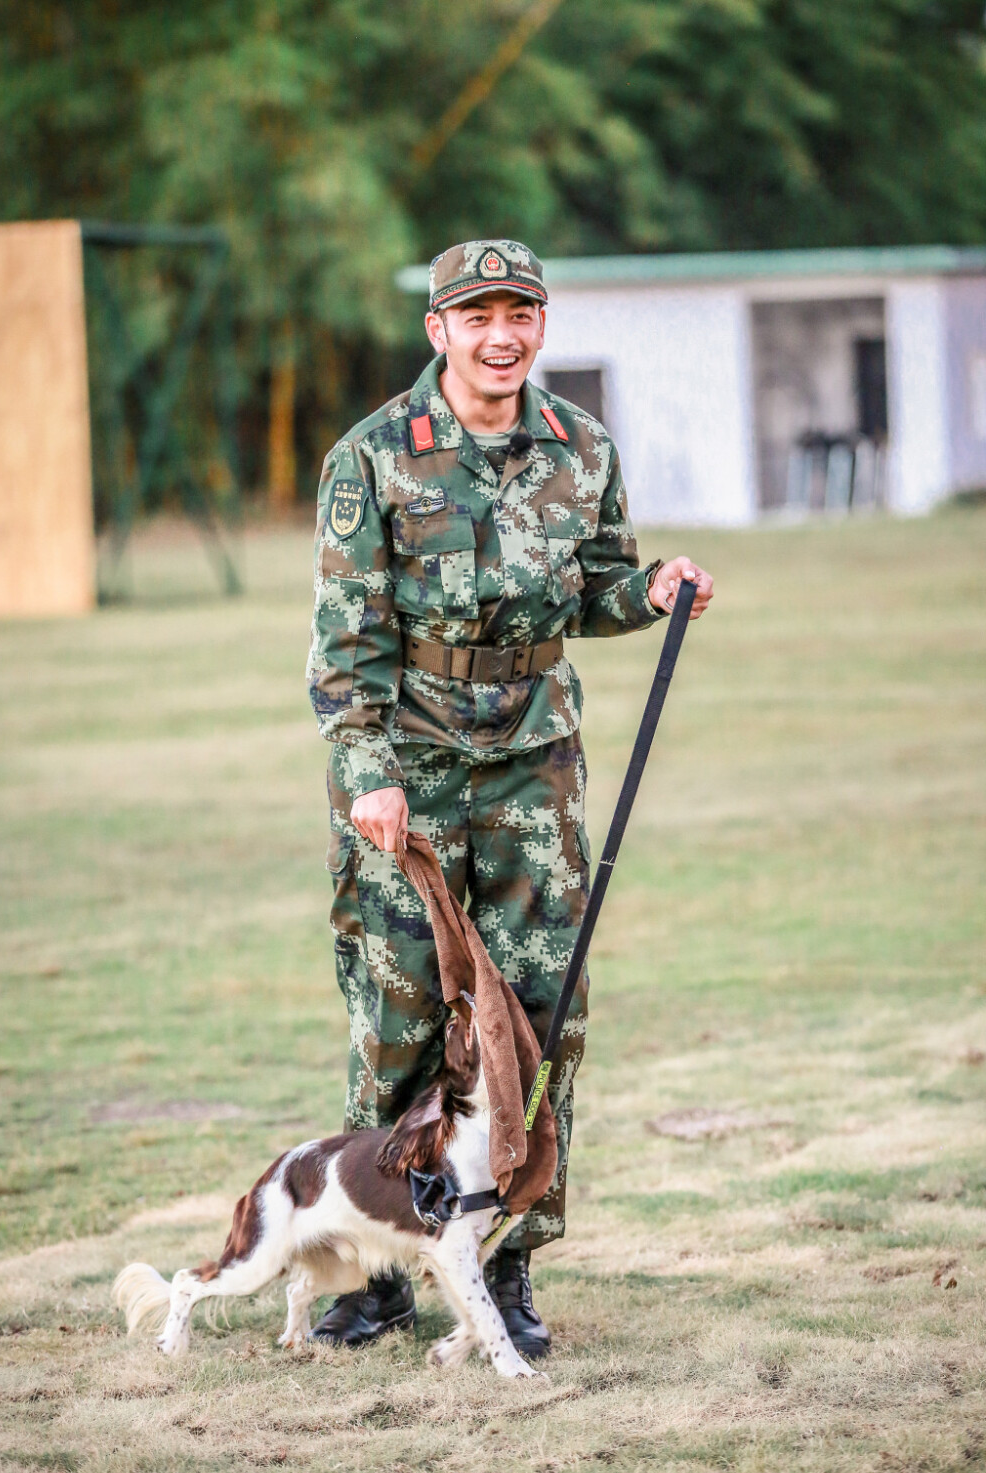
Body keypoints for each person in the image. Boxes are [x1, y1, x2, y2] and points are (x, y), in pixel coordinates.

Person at [306, 240, 713, 1356]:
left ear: (541, 323)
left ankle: (512, 1264)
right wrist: (370, 776)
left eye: (520, 313)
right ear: (437, 329)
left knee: (540, 1020)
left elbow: (593, 590)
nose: (502, 334)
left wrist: (654, 589)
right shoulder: (375, 457)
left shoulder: (580, 449)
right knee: (395, 1025)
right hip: (414, 767)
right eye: (477, 314)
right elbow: (344, 653)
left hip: (536, 763)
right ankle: (376, 1271)